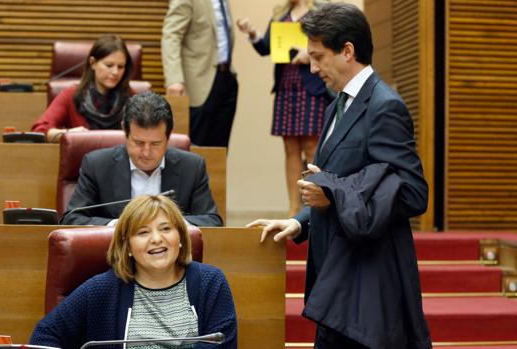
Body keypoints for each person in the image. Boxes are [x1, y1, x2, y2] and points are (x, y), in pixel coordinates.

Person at [247, 3, 432, 348]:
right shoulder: (337, 104)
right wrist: (300, 222)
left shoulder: (384, 106)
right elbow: (334, 179)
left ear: (347, 51)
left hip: (369, 281)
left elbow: (413, 192)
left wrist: (333, 193)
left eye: (318, 57)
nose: (313, 68)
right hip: (337, 274)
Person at [31, 194, 238, 348]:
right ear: (127, 246)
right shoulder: (103, 288)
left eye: (166, 229)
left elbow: (224, 343)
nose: (156, 238)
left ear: (181, 239)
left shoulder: (211, 282)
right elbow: (45, 335)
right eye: (143, 232)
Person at [62, 91, 223, 227]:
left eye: (155, 144)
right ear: (125, 130)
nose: (146, 152)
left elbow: (211, 222)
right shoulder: (97, 165)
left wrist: (168, 226)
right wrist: (119, 226)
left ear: (168, 136)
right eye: (138, 143)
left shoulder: (192, 167)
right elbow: (72, 219)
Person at [236, 0, 332, 217]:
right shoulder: (281, 14)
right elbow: (267, 47)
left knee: (311, 146)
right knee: (290, 148)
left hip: (313, 87)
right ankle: (293, 208)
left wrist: (310, 54)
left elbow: (331, 44)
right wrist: (252, 33)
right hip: (286, 87)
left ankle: (315, 204)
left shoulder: (322, 11)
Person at [161, 0, 238, 148]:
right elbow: (171, 35)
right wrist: (174, 79)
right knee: (197, 145)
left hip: (226, 77)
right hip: (198, 81)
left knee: (220, 148)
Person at [32, 34, 134, 142]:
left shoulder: (134, 100)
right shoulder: (70, 96)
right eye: (109, 65)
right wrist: (68, 134)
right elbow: (39, 131)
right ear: (93, 63)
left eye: (121, 67)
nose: (115, 72)